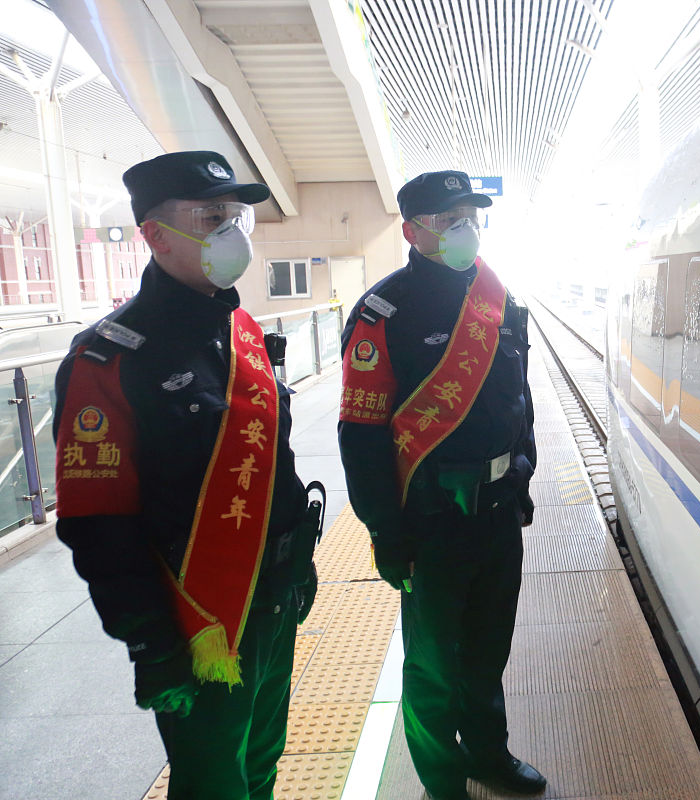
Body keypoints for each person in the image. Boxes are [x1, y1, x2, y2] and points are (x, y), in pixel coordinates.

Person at [53, 151, 320, 800]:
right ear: (155, 235)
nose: (232, 231)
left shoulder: (243, 331)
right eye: (211, 216)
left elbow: (274, 462)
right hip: (196, 619)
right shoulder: (108, 358)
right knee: (211, 783)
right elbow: (97, 523)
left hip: (272, 598)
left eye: (236, 215)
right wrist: (151, 645)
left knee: (261, 760)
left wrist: (298, 566)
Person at [338, 170, 543, 800]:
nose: (465, 229)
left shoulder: (498, 299)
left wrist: (523, 473)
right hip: (429, 522)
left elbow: (519, 399)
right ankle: (442, 779)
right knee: (431, 667)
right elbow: (363, 434)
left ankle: (487, 754)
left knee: (487, 649)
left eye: (471, 216)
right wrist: (384, 531)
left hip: (497, 513)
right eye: (448, 218)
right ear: (412, 230)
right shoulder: (384, 313)